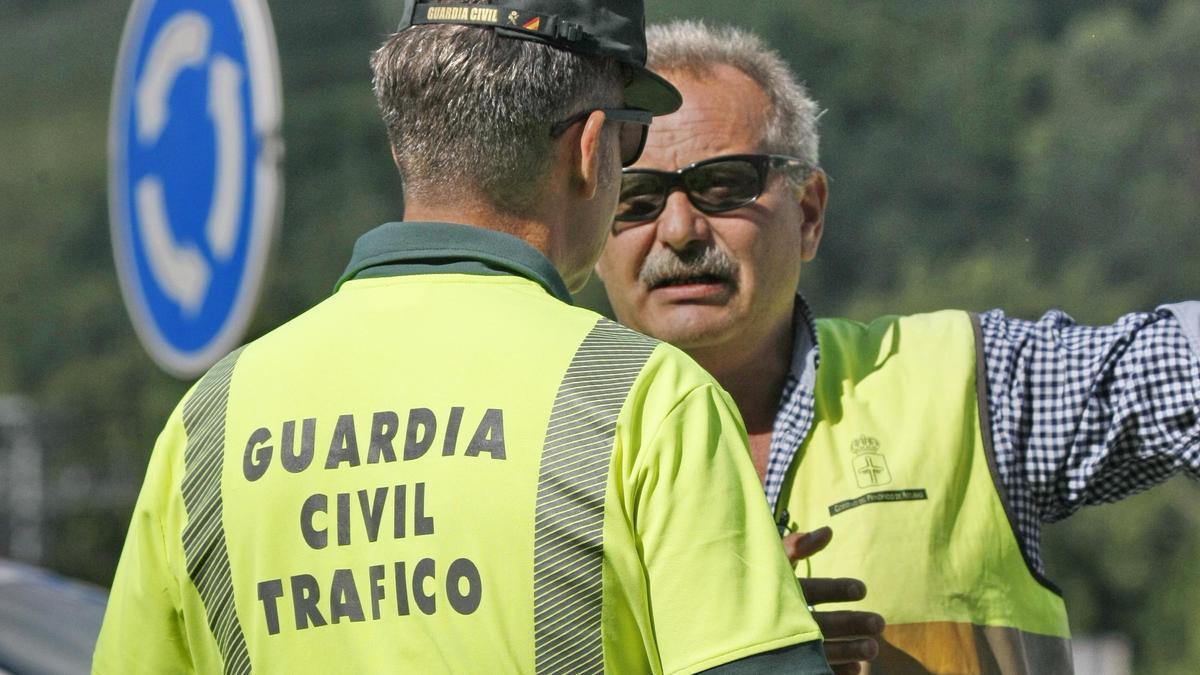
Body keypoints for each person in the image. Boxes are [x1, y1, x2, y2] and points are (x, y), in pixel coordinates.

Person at [92, 3, 834, 673]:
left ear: (407, 146)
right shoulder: (647, 399)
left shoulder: (207, 423)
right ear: (591, 148)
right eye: (632, 143)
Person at [594, 19, 1200, 675]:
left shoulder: (969, 385)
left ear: (809, 213)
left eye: (725, 184)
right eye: (636, 196)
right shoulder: (532, 438)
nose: (681, 228)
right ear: (590, 225)